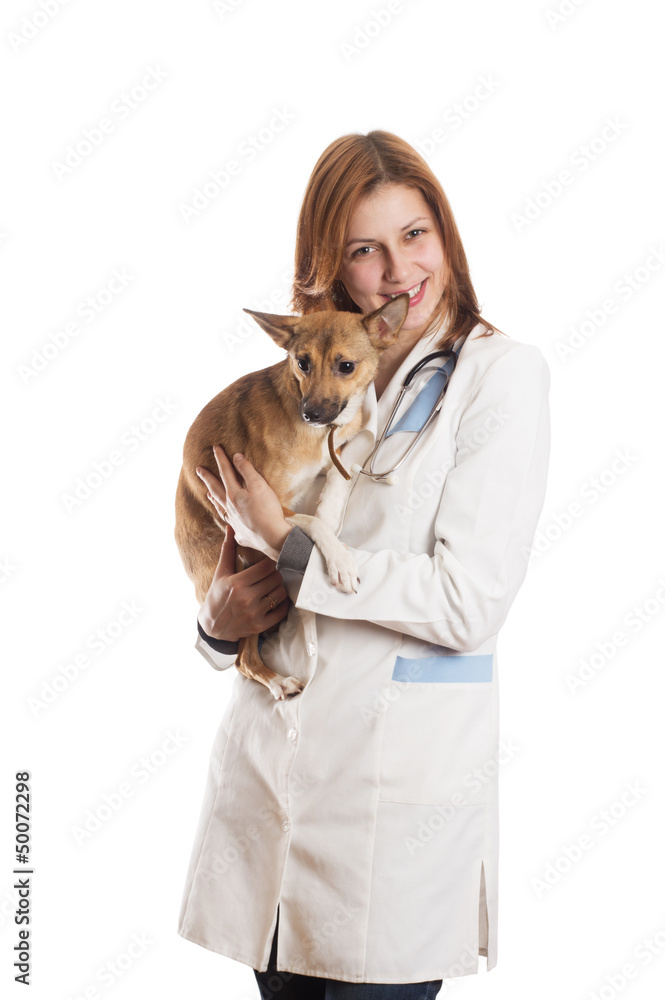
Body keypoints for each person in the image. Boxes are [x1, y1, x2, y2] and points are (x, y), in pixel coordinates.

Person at [177, 130, 551, 998]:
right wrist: (215, 624)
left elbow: (468, 603)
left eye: (415, 236)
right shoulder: (303, 383)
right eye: (364, 249)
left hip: (392, 817)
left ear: (447, 236)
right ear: (330, 265)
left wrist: (290, 545)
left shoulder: (499, 379)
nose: (398, 271)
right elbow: (224, 555)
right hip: (271, 793)